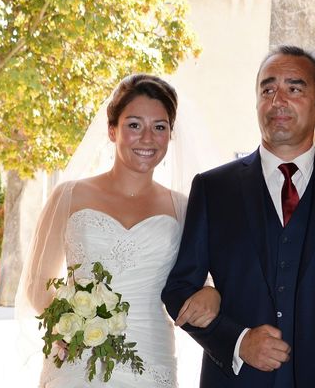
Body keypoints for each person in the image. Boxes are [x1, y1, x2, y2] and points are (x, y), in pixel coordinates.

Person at [162, 45, 315, 387]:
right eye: (267, 90)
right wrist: (238, 341)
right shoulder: (213, 188)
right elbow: (178, 290)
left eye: (294, 88)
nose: (278, 101)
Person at [17, 74, 220, 387]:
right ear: (112, 130)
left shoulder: (184, 207)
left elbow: (203, 276)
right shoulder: (70, 195)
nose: (148, 138)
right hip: (77, 358)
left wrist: (211, 291)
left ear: (170, 134)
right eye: (134, 125)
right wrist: (67, 323)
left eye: (160, 127)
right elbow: (37, 282)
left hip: (151, 358)